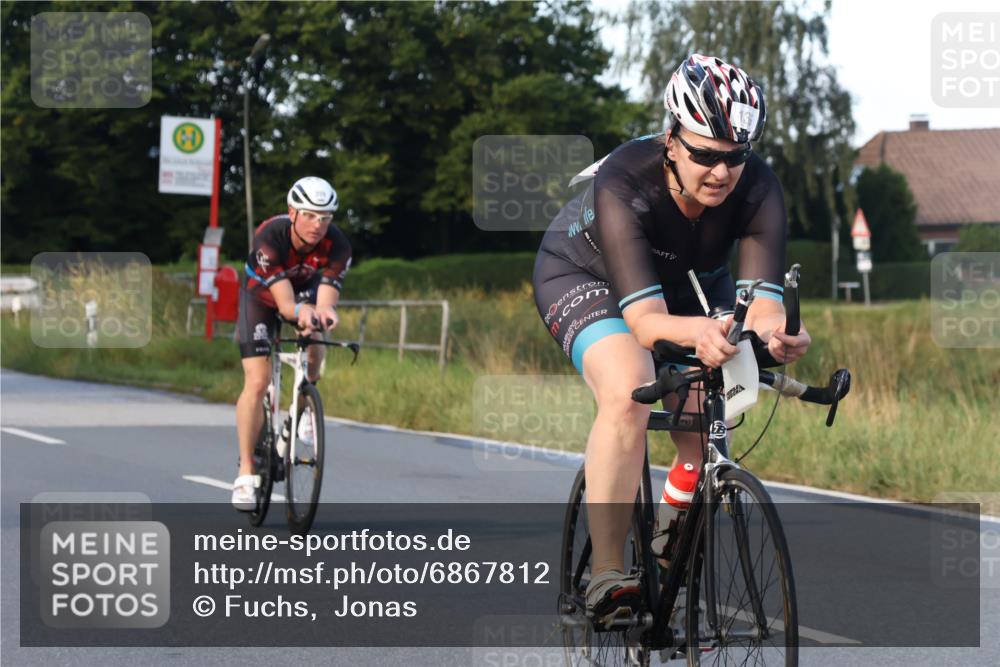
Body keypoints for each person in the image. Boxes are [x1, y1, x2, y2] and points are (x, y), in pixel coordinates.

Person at [531, 54, 812, 617]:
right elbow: (645, 324)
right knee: (627, 388)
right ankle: (608, 574)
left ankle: (665, 558)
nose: (720, 173)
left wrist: (778, 336)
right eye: (704, 155)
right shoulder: (625, 180)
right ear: (671, 139)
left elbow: (762, 307)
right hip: (587, 275)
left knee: (709, 418)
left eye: (734, 158)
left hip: (687, 284)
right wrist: (700, 333)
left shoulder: (758, 188)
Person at [232, 176, 352, 510]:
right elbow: (285, 307)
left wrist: (325, 314)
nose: (318, 224)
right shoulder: (270, 237)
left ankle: (305, 404)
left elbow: (327, 298)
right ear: (292, 212)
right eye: (311, 215)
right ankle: (245, 471)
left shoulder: (338, 246)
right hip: (261, 298)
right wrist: (302, 312)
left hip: (303, 293)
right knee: (257, 381)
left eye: (326, 217)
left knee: (315, 338)